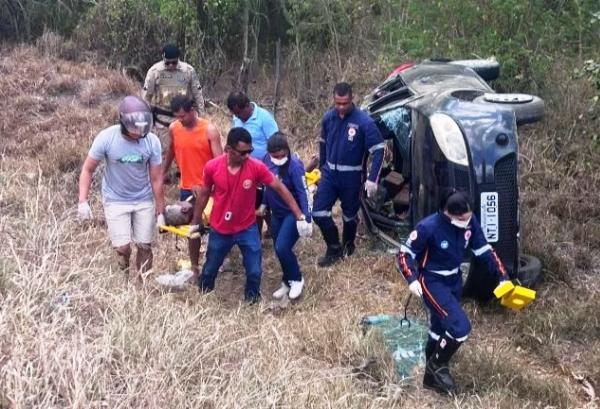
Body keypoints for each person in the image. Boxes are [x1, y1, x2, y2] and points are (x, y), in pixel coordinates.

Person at [396, 189, 509, 395]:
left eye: (469, 217)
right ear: (450, 213)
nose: (467, 222)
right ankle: (436, 368)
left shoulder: (470, 220)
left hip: (455, 279)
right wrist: (411, 279)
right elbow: (404, 254)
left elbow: (484, 249)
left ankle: (431, 367)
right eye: (463, 219)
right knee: (460, 327)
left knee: (440, 325)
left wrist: (502, 277)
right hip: (432, 280)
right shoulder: (428, 227)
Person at [189, 128, 311, 303]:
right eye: (242, 152)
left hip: (247, 228)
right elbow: (204, 193)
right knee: (210, 269)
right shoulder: (212, 167)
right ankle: (203, 298)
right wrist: (196, 219)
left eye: (250, 151)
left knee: (254, 271)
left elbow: (280, 188)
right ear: (228, 149)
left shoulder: (256, 167)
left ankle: (252, 301)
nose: (247, 156)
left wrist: (300, 215)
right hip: (220, 228)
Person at [78, 96, 165, 282]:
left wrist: (160, 209)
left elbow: (157, 178)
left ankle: (143, 284)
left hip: (143, 198)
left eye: (142, 127)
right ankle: (123, 275)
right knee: (122, 248)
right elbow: (87, 169)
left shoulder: (152, 141)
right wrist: (83, 201)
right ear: (123, 122)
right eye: (135, 128)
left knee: (144, 245)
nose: (138, 132)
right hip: (115, 199)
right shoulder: (106, 138)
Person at [313, 82, 385, 267]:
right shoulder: (328, 118)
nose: (341, 107)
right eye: (338, 103)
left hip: (352, 177)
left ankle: (348, 244)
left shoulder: (364, 122)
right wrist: (321, 168)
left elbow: (379, 150)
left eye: (345, 103)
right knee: (319, 213)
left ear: (352, 99)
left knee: (349, 216)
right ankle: (333, 247)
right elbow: (322, 143)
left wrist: (372, 179)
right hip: (330, 175)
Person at [162, 95, 223, 279]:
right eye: (177, 117)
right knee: (192, 230)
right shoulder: (174, 128)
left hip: (210, 189)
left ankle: (216, 263)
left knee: (214, 228)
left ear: (192, 110)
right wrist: (163, 171)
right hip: (187, 188)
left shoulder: (209, 130)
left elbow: (220, 163)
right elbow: (171, 150)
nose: (181, 120)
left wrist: (208, 186)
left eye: (183, 116)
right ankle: (195, 268)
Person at [261, 133, 312, 300]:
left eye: (282, 155)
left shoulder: (295, 165)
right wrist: (264, 204)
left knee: (283, 247)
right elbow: (266, 187)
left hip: (293, 213)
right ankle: (287, 281)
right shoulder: (265, 161)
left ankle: (297, 278)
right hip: (277, 213)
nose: (279, 159)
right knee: (278, 249)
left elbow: (303, 192)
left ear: (287, 150)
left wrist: (306, 218)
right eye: (275, 156)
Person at [226, 91, 279, 237]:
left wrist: (271, 167)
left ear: (247, 106)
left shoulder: (264, 118)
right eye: (234, 114)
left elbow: (276, 143)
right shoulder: (237, 118)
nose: (237, 117)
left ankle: (266, 232)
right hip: (243, 167)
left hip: (263, 169)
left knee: (264, 201)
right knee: (252, 201)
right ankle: (259, 233)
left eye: (239, 113)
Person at [142, 44, 205, 124]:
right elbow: (146, 97)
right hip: (162, 121)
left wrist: (202, 117)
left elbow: (198, 95)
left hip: (184, 121)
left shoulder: (188, 71)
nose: (171, 65)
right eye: (167, 63)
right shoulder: (155, 72)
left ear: (178, 59)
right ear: (163, 58)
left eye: (174, 62)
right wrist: (146, 118)